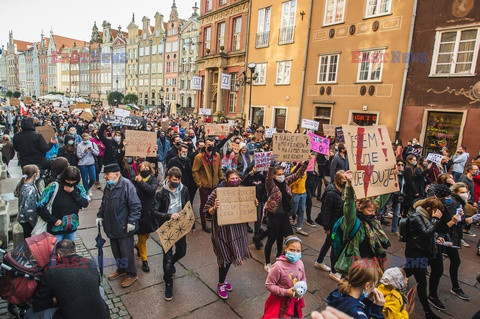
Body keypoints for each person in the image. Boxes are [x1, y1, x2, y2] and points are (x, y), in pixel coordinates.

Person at [203, 169, 255, 300]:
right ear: (226, 179)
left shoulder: (243, 191)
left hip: (237, 232)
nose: (234, 181)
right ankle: (221, 283)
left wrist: (253, 204)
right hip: (222, 233)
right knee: (224, 259)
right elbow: (206, 211)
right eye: (231, 179)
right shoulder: (217, 192)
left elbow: (248, 210)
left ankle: (223, 279)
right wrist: (214, 208)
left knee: (231, 256)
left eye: (236, 178)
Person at [27, 239, 109, 319]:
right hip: (102, 315)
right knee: (100, 290)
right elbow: (97, 285)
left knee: (30, 313)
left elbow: (38, 305)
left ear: (58, 256)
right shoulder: (90, 262)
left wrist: (55, 301)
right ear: (75, 250)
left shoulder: (52, 273)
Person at [334, 170, 391, 276]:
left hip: (370, 264)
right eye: (370, 211)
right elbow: (348, 203)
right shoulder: (352, 221)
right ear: (360, 208)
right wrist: (349, 185)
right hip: (355, 266)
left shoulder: (371, 218)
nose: (373, 213)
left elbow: (382, 199)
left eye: (374, 211)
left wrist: (391, 178)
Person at [403, 195, 452, 319]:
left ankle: (395, 278)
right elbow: (425, 232)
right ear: (429, 208)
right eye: (437, 210)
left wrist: (437, 237)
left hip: (424, 251)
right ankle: (428, 312)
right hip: (415, 252)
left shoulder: (426, 216)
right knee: (422, 282)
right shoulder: (416, 216)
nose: (439, 213)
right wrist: (435, 220)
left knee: (408, 271)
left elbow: (430, 232)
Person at [96, 163, 141, 288]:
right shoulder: (109, 186)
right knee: (116, 251)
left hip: (123, 227)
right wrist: (100, 215)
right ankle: (121, 269)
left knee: (126, 252)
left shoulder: (127, 185)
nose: (105, 177)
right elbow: (104, 202)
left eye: (107, 174)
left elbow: (136, 205)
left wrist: (132, 221)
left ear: (117, 174)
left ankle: (132, 274)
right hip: (112, 226)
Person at [263, 160, 308, 272]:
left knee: (291, 239)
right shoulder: (271, 185)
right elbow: (268, 178)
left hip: (284, 216)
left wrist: (305, 163)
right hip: (274, 216)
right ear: (274, 175)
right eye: (279, 174)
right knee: (271, 239)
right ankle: (267, 263)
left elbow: (297, 174)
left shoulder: (286, 182)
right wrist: (271, 166)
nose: (281, 176)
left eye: (282, 174)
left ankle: (284, 257)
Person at [154, 167, 191, 301]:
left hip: (180, 226)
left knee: (182, 252)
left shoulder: (184, 189)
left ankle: (171, 265)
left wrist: (190, 224)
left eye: (178, 179)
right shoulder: (160, 194)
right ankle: (168, 282)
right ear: (168, 178)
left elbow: (188, 205)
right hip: (167, 227)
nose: (176, 182)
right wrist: (169, 215)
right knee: (167, 258)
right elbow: (155, 212)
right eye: (174, 179)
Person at [436, 182, 470, 300]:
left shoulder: (459, 202)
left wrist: (464, 220)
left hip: (449, 237)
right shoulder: (453, 203)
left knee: (438, 264)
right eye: (462, 192)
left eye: (466, 191)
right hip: (447, 237)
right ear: (455, 192)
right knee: (449, 263)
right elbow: (445, 223)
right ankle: (453, 288)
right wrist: (460, 220)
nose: (465, 194)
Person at [37, 166, 89, 242]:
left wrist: (73, 193)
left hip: (71, 228)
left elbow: (85, 203)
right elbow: (40, 206)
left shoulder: (79, 187)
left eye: (73, 181)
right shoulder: (53, 186)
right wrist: (53, 220)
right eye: (68, 180)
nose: (71, 183)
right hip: (56, 229)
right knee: (55, 251)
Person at [261, 236, 306, 319]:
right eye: (292, 250)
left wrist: (303, 290)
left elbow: (303, 279)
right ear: (285, 249)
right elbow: (268, 285)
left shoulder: (300, 263)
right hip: (279, 302)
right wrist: (285, 292)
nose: (295, 253)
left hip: (294, 301)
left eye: (298, 251)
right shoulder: (278, 266)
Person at [315, 170, 346, 282]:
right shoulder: (331, 193)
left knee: (329, 242)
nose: (346, 182)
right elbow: (326, 211)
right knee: (334, 245)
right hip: (333, 228)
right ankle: (334, 271)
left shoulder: (341, 190)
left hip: (337, 226)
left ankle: (319, 261)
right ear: (338, 180)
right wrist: (327, 228)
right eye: (344, 179)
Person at [192, 136, 223, 233]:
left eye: (212, 145)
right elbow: (195, 171)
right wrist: (199, 184)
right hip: (204, 186)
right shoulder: (199, 157)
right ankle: (204, 224)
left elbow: (219, 169)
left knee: (215, 203)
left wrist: (221, 179)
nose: (210, 146)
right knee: (204, 205)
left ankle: (213, 220)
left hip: (215, 184)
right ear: (205, 144)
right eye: (209, 145)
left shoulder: (217, 155)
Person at [133, 161, 159, 273]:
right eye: (142, 168)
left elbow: (151, 190)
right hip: (139, 211)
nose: (144, 170)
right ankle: (144, 260)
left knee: (147, 234)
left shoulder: (153, 180)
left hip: (149, 210)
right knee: (142, 237)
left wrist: (140, 182)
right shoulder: (135, 180)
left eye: (146, 167)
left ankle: (137, 246)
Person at [15, 165, 40, 238]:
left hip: (23, 218)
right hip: (28, 221)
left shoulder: (22, 184)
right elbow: (29, 209)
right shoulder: (30, 189)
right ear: (34, 174)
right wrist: (34, 224)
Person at [77, 133, 99, 198]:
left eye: (87, 139)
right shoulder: (79, 145)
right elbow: (79, 156)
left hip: (91, 163)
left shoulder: (92, 144)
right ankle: (86, 191)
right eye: (85, 139)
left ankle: (87, 188)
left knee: (93, 178)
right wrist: (84, 152)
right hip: (83, 164)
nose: (86, 140)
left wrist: (91, 150)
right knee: (85, 179)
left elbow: (97, 153)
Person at [290, 162, 308, 236]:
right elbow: (291, 181)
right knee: (293, 210)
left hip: (303, 193)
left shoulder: (306, 170)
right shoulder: (294, 169)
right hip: (295, 193)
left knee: (301, 210)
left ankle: (299, 227)